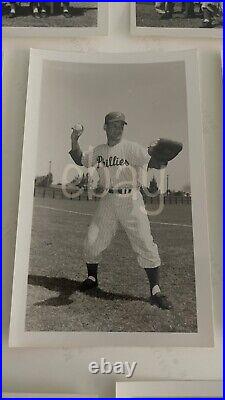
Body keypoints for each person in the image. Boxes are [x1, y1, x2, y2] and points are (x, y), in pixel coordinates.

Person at [69, 112, 173, 310]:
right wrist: (74, 139)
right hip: (108, 200)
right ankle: (92, 278)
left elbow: (152, 160)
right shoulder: (98, 151)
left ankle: (155, 290)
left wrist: (156, 151)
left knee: (144, 241)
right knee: (92, 241)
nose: (118, 129)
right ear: (105, 127)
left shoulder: (131, 148)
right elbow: (79, 159)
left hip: (131, 199)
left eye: (121, 125)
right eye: (114, 125)